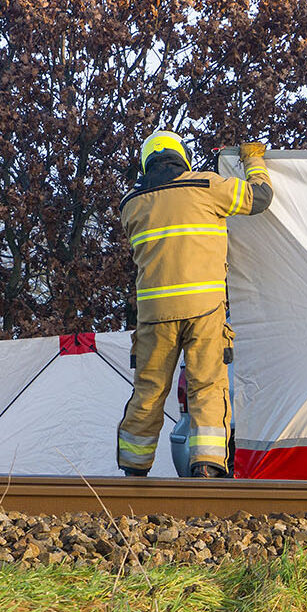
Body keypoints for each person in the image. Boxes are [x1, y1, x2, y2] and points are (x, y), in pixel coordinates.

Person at [115, 130, 273, 478]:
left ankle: (133, 470)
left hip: (154, 316)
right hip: (204, 310)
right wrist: (253, 160)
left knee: (149, 391)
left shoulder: (131, 204)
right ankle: (206, 467)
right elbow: (260, 198)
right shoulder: (207, 186)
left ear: (146, 163)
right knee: (207, 387)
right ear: (182, 157)